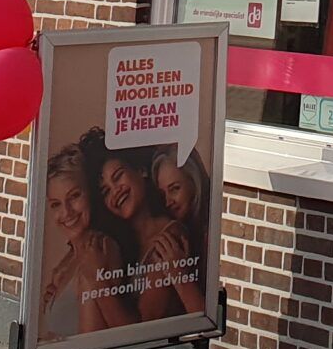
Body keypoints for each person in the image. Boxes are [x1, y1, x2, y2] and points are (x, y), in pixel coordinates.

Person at [84, 132, 208, 320]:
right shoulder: (117, 246)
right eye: (106, 191)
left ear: (141, 170)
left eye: (118, 176)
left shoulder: (169, 238)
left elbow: (140, 328)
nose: (115, 192)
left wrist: (98, 283)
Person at [39, 143, 136, 338]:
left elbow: (90, 343)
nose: (66, 212)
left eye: (74, 196)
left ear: (91, 193)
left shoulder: (99, 250)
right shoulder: (71, 255)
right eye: (56, 204)